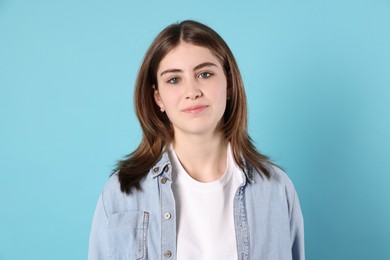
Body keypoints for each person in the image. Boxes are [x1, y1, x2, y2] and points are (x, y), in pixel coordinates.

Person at [88, 20, 305, 260]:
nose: (192, 91)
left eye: (205, 74)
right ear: (158, 97)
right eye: (174, 79)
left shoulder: (276, 189)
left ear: (229, 84)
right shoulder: (121, 194)